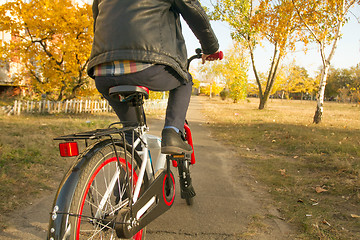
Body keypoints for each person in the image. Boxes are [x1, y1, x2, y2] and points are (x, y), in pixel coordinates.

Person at [87, 0, 219, 154]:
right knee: (185, 80)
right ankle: (173, 132)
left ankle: (131, 167)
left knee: (132, 135)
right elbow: (192, 9)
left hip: (102, 72)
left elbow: (98, 19)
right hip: (146, 65)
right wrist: (210, 47)